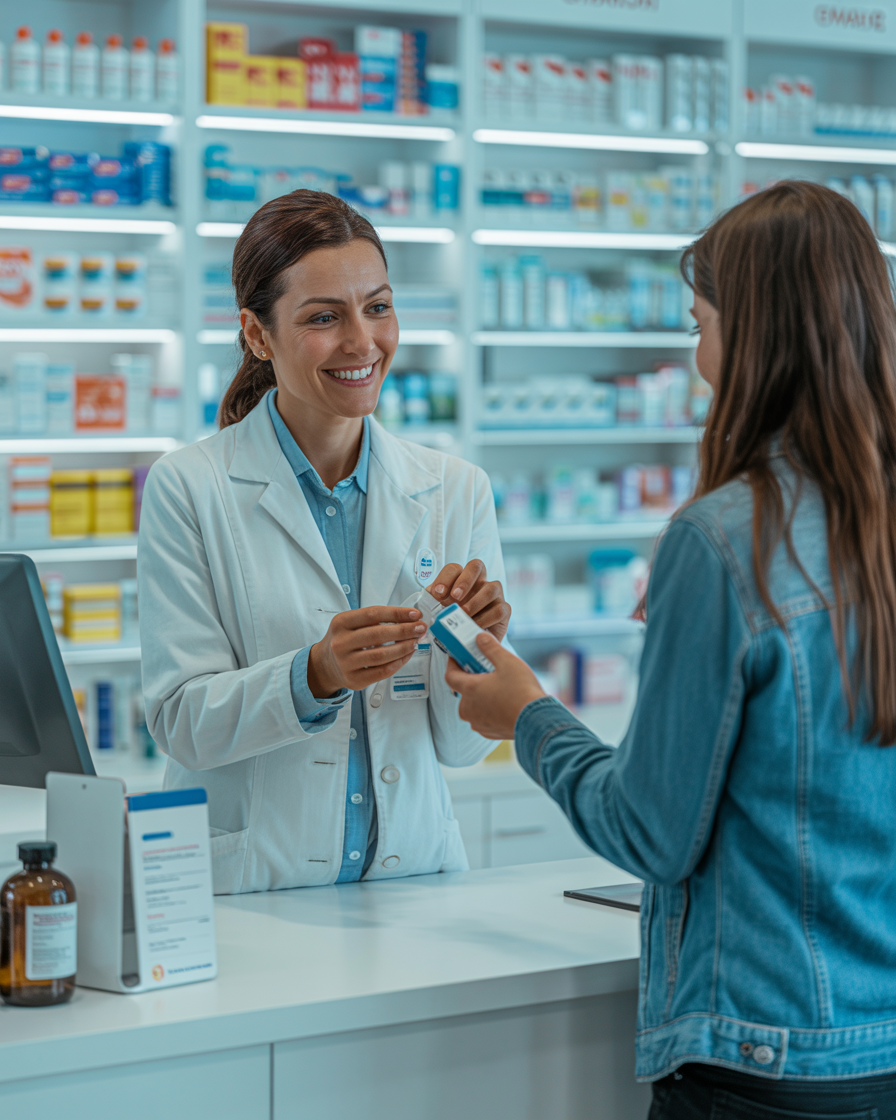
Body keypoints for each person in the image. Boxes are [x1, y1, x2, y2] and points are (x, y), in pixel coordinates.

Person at [446, 180, 896, 1116]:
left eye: (702, 325)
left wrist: (526, 714)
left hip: (764, 1058)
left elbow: (648, 831)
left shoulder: (727, 540)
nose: (698, 358)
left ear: (754, 337)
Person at [138, 190, 509, 895]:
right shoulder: (190, 486)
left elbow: (463, 748)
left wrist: (480, 653)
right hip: (256, 890)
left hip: (412, 883)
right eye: (323, 317)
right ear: (257, 333)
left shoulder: (456, 489)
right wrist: (315, 674)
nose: (362, 342)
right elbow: (181, 722)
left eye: (378, 307)